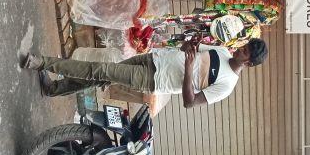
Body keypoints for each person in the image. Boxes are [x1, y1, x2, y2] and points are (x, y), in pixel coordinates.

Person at [20, 36, 269, 106]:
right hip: (154, 58)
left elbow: (190, 102)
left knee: (99, 70)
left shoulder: (226, 85)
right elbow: (186, 49)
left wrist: (189, 69)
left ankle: (41, 63)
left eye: (245, 52)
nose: (240, 50)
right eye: (243, 46)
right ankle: (53, 89)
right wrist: (190, 45)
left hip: (153, 79)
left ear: (248, 64)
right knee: (101, 76)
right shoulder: (223, 51)